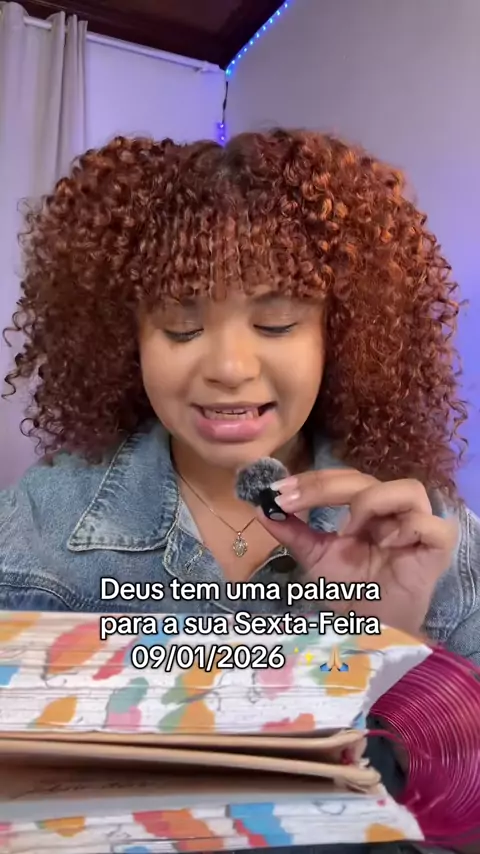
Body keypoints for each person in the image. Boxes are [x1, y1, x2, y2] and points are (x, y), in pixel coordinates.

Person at [0, 129, 478, 852]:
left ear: (338, 335)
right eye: (180, 325)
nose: (228, 366)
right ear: (128, 339)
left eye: (276, 322)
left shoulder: (428, 531)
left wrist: (388, 647)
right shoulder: (38, 525)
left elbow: (461, 810)